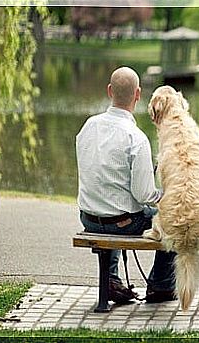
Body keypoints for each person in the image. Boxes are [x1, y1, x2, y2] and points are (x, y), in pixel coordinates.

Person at [76, 66, 176, 304]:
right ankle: (160, 285)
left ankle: (111, 279)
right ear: (138, 94)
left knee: (113, 204)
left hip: (87, 218)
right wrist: (168, 196)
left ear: (110, 91)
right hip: (121, 225)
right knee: (174, 219)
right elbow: (144, 195)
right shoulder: (136, 137)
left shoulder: (88, 126)